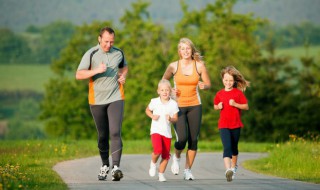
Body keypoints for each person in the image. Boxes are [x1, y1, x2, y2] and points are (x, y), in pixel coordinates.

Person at [75, 26, 128, 181]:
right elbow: (79, 74)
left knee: (115, 132)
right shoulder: (91, 53)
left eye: (111, 42)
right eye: (106, 41)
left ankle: (116, 168)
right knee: (103, 135)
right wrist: (96, 70)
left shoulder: (119, 53)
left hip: (115, 97)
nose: (108, 45)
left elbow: (124, 67)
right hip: (97, 100)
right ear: (99, 39)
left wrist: (123, 76)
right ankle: (105, 165)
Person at [162, 37, 211, 180]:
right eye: (182, 49)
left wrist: (204, 86)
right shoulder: (173, 66)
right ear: (179, 51)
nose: (185, 51)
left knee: (193, 140)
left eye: (188, 48)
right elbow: (163, 83)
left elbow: (208, 84)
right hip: (178, 107)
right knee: (182, 138)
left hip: (195, 105)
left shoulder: (199, 66)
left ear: (191, 50)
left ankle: (187, 170)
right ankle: (176, 157)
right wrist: (171, 91)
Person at [213, 66, 250, 182]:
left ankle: (233, 167)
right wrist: (218, 106)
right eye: (226, 80)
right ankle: (228, 170)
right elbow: (215, 105)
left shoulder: (238, 94)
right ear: (222, 80)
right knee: (227, 148)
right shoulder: (219, 94)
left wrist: (235, 104)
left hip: (236, 125)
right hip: (223, 125)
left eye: (230, 80)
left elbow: (246, 106)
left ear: (234, 81)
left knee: (234, 148)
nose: (228, 82)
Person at [145, 79, 179, 182]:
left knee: (166, 155)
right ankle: (153, 163)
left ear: (170, 91)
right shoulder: (154, 101)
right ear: (158, 91)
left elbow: (176, 118)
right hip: (155, 130)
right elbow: (147, 110)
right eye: (162, 90)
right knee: (158, 150)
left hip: (167, 133)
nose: (165, 92)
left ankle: (161, 174)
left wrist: (171, 119)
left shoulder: (173, 104)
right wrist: (152, 116)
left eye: (167, 90)